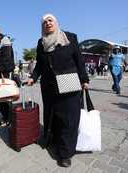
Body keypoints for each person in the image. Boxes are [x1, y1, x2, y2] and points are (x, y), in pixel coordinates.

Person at [27, 14, 89, 167]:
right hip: (48, 85)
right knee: (52, 115)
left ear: (56, 23)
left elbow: (79, 60)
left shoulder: (69, 38)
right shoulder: (41, 43)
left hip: (68, 81)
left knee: (69, 118)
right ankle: (52, 139)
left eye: (50, 20)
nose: (47, 23)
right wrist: (33, 78)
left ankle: (65, 153)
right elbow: (40, 65)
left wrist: (84, 79)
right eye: (44, 22)